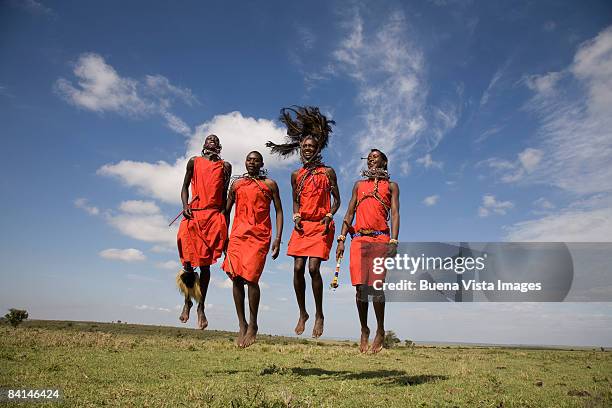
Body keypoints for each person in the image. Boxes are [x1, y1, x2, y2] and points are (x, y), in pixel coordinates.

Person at [266, 106, 340, 338]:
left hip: (321, 225)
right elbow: (295, 202)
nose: (308, 149)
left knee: (312, 268)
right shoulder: (295, 175)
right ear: (301, 148)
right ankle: (303, 312)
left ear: (318, 148)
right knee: (297, 268)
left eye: (311, 146)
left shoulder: (328, 172)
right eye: (305, 146)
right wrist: (296, 216)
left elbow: (337, 200)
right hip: (303, 225)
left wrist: (329, 215)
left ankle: (319, 314)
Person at [336, 149, 400, 354]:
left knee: (377, 287)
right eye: (369, 157)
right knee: (360, 288)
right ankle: (364, 328)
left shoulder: (391, 186)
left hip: (381, 238)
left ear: (384, 162)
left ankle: (380, 330)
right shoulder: (359, 185)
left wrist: (394, 240)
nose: (372, 159)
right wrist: (342, 238)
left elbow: (396, 213)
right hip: (359, 239)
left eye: (376, 156)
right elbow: (349, 212)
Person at [221, 151, 283, 348]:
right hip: (238, 236)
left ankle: (253, 324)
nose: (252, 162)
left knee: (251, 278)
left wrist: (278, 239)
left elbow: (279, 211)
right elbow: (226, 211)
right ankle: (242, 324)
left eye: (256, 160)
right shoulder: (237, 184)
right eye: (249, 159)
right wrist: (224, 236)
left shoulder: (270, 184)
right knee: (236, 277)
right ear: (245, 162)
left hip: (259, 237)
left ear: (262, 163)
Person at [176, 134, 231, 329]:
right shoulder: (194, 161)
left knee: (206, 267)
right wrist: (185, 205)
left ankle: (201, 307)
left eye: (216, 139)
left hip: (213, 217)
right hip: (193, 216)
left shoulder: (225, 166)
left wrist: (224, 223)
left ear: (220, 146)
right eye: (209, 139)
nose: (213, 140)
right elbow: (184, 187)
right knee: (189, 264)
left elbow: (224, 196)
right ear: (204, 144)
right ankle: (187, 303)